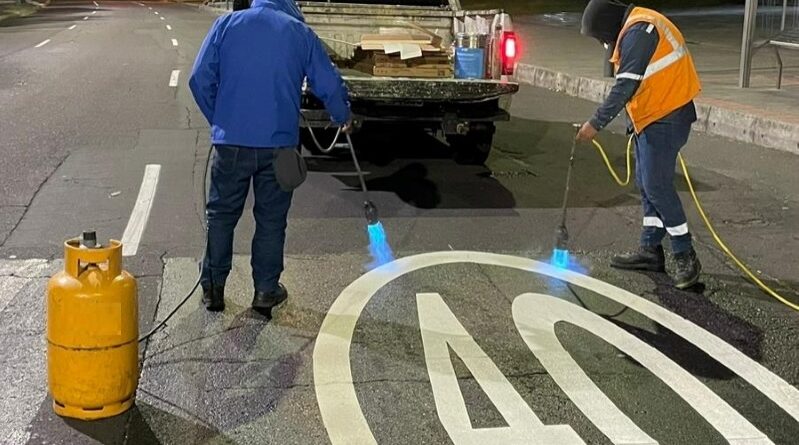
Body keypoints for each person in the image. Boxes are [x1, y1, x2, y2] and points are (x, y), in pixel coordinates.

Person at [189, 0, 351, 312]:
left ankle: (212, 288)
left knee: (221, 215)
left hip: (231, 143)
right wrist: (342, 114)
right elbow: (328, 83)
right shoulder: (300, 32)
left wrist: (221, 120)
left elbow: (199, 78)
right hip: (280, 146)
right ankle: (265, 291)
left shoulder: (226, 25)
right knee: (271, 220)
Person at [576, 0, 702, 289]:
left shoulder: (640, 31)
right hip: (653, 115)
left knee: (657, 186)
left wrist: (594, 124)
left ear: (607, 27)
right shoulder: (636, 27)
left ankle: (685, 254)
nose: (603, 43)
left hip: (667, 115)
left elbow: (626, 86)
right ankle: (650, 249)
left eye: (600, 38)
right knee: (646, 184)